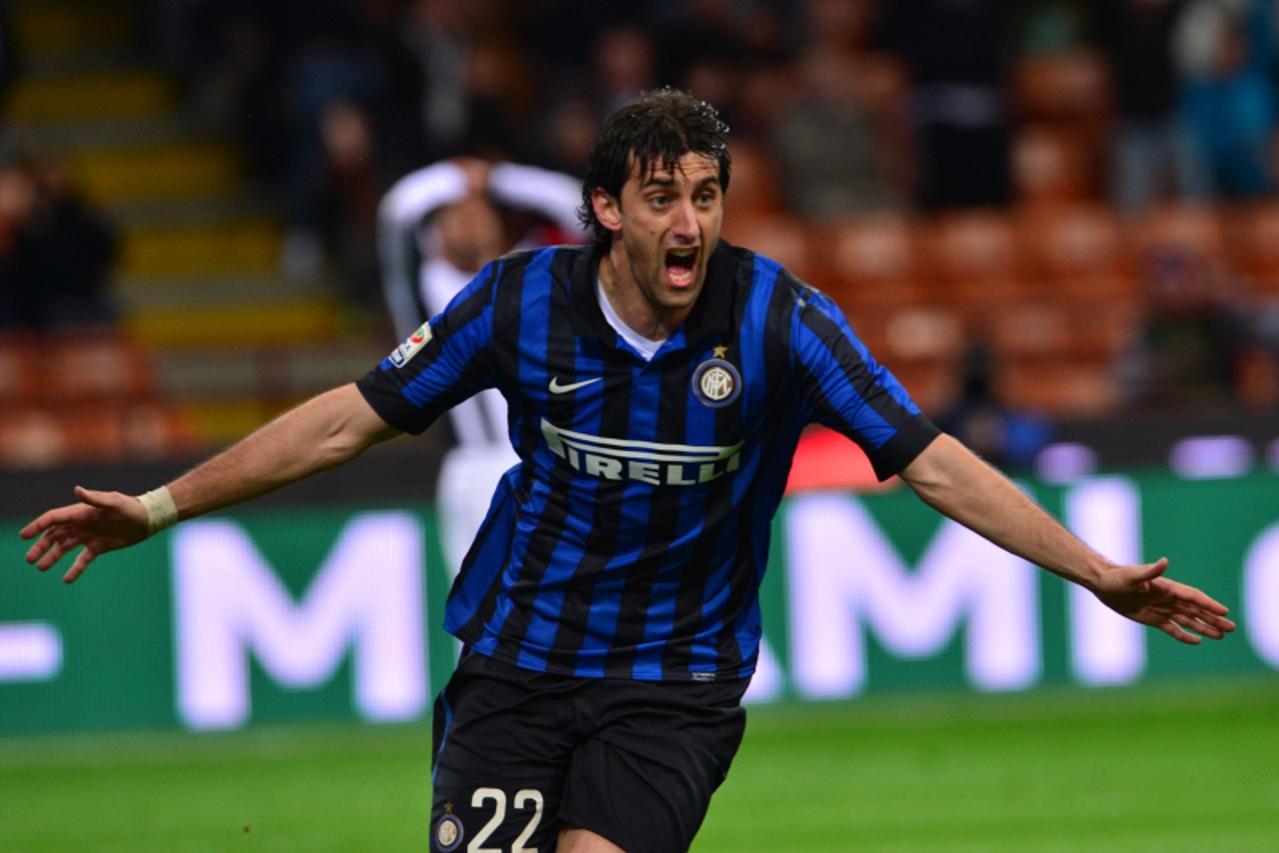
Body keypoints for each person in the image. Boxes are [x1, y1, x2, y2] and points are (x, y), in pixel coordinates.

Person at [21, 89, 1235, 853]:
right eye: (663, 197)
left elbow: (928, 462)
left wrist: (1092, 571)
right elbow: (350, 419)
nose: (691, 223)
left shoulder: (780, 322)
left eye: (707, 195)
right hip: (513, 667)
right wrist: (163, 503)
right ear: (606, 207)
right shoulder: (516, 301)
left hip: (672, 684)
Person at [378, 155, 585, 577]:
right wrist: (454, 177)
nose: (472, 219)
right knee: (485, 613)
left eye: (480, 210)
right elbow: (397, 212)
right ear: (435, 233)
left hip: (554, 460)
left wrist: (500, 178)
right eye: (456, 213)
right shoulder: (426, 289)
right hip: (474, 468)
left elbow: (578, 207)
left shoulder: (530, 273)